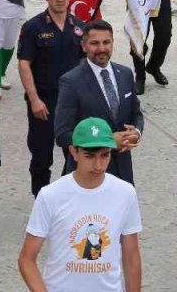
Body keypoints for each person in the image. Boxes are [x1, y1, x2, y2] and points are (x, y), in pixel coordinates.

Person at [18, 116, 143, 292]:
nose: (98, 165)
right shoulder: (50, 195)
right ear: (74, 152)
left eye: (105, 155)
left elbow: (131, 257)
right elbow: (26, 259)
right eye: (89, 156)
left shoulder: (125, 193)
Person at [17, 0, 85, 196]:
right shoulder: (33, 27)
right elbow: (24, 64)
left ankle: (66, 200)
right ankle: (41, 202)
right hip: (44, 103)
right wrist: (34, 99)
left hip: (71, 103)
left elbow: (85, 64)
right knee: (41, 157)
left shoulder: (79, 27)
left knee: (74, 155)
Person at [53, 20, 143, 184]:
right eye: (95, 43)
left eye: (106, 42)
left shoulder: (125, 74)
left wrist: (136, 133)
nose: (102, 48)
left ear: (113, 43)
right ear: (84, 46)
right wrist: (108, 140)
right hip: (87, 176)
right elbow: (62, 134)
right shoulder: (71, 82)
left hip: (123, 173)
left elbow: (136, 114)